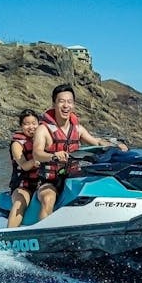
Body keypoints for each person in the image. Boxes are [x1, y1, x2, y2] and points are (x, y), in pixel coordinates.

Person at [32, 83, 128, 220]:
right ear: (54, 104)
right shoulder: (44, 129)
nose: (66, 105)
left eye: (69, 102)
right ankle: (44, 235)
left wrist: (115, 145)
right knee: (48, 198)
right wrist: (53, 156)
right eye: (61, 101)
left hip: (74, 176)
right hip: (50, 181)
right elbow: (37, 153)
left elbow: (97, 142)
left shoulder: (77, 129)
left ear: (73, 105)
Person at [7, 109, 41, 227]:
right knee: (21, 202)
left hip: (42, 182)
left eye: (34, 123)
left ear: (39, 124)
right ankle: (9, 235)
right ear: (21, 126)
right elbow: (24, 166)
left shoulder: (43, 140)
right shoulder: (17, 144)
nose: (31, 127)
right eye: (27, 124)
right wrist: (35, 161)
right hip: (23, 184)